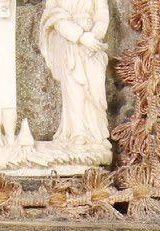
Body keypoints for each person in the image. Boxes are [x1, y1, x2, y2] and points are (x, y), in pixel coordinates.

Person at [39, 0, 111, 153]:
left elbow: (102, 16)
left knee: (95, 89)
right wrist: (79, 36)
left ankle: (95, 134)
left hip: (92, 45)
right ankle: (77, 133)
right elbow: (53, 16)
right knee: (74, 89)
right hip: (69, 43)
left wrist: (93, 38)